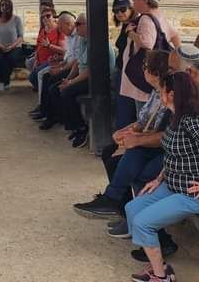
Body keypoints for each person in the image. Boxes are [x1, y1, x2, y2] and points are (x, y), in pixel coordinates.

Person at [125, 71, 199, 282]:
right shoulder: (176, 118)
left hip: (197, 192)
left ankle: (161, 276)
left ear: (171, 94)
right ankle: (158, 262)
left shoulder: (192, 121)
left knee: (143, 222)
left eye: (162, 90)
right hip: (176, 184)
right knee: (133, 208)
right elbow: (172, 153)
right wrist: (159, 178)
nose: (159, 93)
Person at [72, 50, 172, 240]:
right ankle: (120, 208)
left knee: (126, 159)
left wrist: (135, 139)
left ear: (153, 72)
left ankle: (118, 205)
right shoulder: (156, 92)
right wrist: (125, 132)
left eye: (144, 67)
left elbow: (167, 134)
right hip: (153, 144)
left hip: (166, 151)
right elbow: (143, 121)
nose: (142, 71)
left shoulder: (169, 94)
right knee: (110, 152)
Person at [41, 13, 115, 149]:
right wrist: (68, 79)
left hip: (99, 81)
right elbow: (78, 63)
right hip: (85, 77)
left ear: (89, 26)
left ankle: (81, 128)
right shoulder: (82, 40)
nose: (76, 27)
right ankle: (71, 125)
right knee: (58, 88)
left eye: (78, 24)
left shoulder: (97, 42)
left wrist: (71, 82)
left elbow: (91, 71)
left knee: (67, 91)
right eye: (76, 24)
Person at [120, 0, 181, 112]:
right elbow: (175, 35)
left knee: (143, 112)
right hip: (155, 74)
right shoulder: (159, 16)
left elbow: (146, 42)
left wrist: (130, 33)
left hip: (143, 75)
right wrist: (178, 54)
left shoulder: (146, 18)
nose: (132, 0)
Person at [27, 9, 66, 115]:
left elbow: (63, 50)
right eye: (42, 17)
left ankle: (42, 105)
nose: (45, 18)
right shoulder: (42, 30)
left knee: (39, 76)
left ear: (54, 17)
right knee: (32, 77)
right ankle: (44, 102)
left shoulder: (59, 31)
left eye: (48, 16)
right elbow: (38, 47)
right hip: (41, 60)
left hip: (53, 61)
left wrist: (49, 45)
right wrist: (36, 60)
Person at [0, 0, 25, 90]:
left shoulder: (16, 19)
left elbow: (20, 36)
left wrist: (11, 46)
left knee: (11, 59)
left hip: (14, 47)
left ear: (10, 7)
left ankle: (4, 82)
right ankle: (4, 82)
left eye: (6, 5)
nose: (4, 7)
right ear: (0, 6)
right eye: (2, 4)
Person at [111, 0, 137, 129]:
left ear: (131, 9)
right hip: (122, 69)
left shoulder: (133, 26)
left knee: (124, 105)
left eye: (123, 9)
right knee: (121, 103)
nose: (119, 13)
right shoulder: (126, 25)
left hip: (127, 72)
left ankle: (122, 134)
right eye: (116, 11)